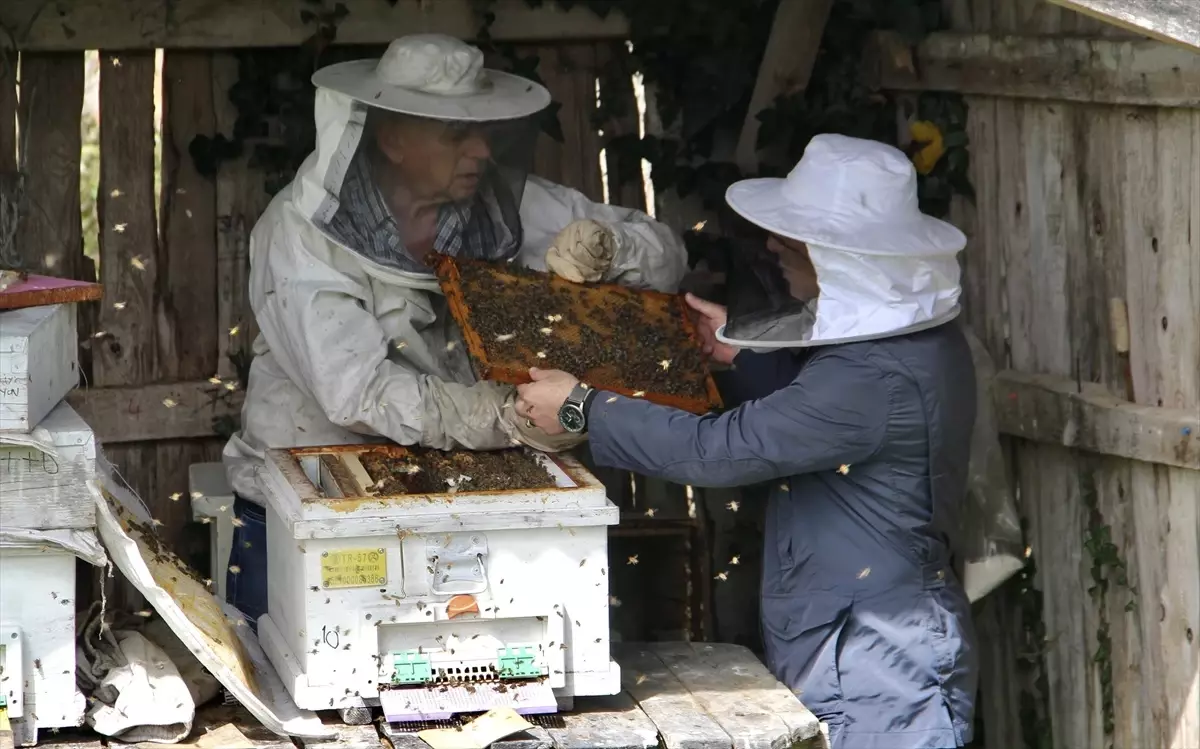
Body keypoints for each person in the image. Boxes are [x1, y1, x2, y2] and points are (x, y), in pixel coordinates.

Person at [515, 134, 979, 748]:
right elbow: (816, 404)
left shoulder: (870, 377)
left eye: (792, 236)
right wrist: (738, 353)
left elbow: (723, 450)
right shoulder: (915, 343)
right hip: (870, 644)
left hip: (878, 665)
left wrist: (583, 407)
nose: (771, 244)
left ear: (840, 255)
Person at [220, 34, 688, 628]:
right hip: (316, 509)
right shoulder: (301, 235)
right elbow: (356, 392)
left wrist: (612, 248)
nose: (481, 151)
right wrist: (500, 418)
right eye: (456, 134)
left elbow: (670, 256)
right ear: (392, 139)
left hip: (473, 502)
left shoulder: (512, 206)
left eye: (485, 131)